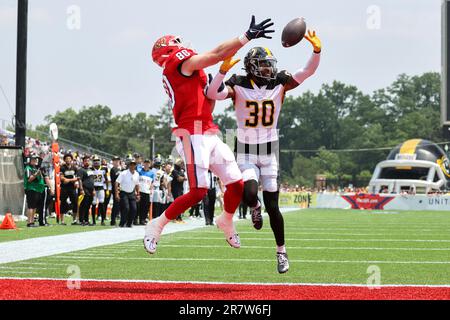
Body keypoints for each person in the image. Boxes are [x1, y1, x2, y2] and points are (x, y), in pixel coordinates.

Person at [144, 15, 274, 254]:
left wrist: (218, 83)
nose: (185, 46)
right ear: (170, 48)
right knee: (198, 191)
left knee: (236, 184)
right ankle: (157, 224)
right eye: (179, 42)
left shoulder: (188, 71)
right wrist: (246, 36)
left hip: (208, 129)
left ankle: (225, 219)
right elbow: (215, 54)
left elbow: (207, 103)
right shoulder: (177, 62)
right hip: (191, 131)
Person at [206, 30, 322, 273]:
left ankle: (281, 251)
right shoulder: (237, 84)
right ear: (251, 66)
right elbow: (212, 93)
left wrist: (316, 51)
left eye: (270, 66)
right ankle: (254, 208)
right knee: (248, 195)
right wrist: (222, 71)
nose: (269, 70)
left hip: (270, 152)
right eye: (263, 65)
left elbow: (307, 72)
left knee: (274, 207)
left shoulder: (279, 83)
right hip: (246, 151)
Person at [115, 158, 140, 228]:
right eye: (131, 164)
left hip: (131, 192)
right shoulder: (124, 173)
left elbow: (137, 184)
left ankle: (129, 223)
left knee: (134, 208)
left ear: (135, 166)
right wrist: (117, 193)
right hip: (124, 192)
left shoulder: (137, 174)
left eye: (134, 164)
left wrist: (138, 194)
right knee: (126, 208)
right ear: (129, 165)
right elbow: (116, 183)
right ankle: (122, 223)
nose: (132, 166)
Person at [24, 154, 46, 227]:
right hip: (31, 188)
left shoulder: (35, 168)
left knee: (34, 207)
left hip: (37, 189)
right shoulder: (28, 168)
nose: (35, 161)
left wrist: (40, 173)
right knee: (31, 206)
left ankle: (32, 221)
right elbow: (29, 179)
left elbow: (41, 179)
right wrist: (37, 173)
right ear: (29, 161)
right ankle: (29, 222)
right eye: (33, 160)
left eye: (35, 160)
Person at [60, 153, 79, 225]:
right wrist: (72, 179)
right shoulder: (62, 167)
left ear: (71, 160)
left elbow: (77, 178)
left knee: (75, 203)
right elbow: (61, 178)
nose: (68, 160)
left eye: (69, 158)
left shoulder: (75, 168)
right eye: (66, 159)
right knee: (63, 203)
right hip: (64, 188)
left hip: (72, 188)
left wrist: (68, 180)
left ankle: (74, 220)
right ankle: (62, 220)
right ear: (64, 160)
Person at [77, 155, 96, 226]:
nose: (87, 162)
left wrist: (94, 189)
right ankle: (82, 220)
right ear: (83, 162)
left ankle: (87, 220)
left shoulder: (91, 170)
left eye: (88, 160)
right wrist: (81, 189)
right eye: (85, 161)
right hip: (84, 189)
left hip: (91, 190)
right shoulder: (81, 170)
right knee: (83, 205)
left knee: (88, 205)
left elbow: (92, 180)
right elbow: (79, 180)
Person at [91, 156, 109, 226]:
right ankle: (93, 221)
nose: (96, 162)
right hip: (94, 188)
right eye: (95, 161)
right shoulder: (91, 169)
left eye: (97, 161)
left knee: (102, 203)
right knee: (94, 203)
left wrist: (107, 189)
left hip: (101, 187)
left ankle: (102, 220)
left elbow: (106, 179)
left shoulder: (104, 168)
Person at [137, 159, 155, 225]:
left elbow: (152, 182)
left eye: (148, 163)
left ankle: (143, 219)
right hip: (140, 191)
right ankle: (137, 219)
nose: (147, 164)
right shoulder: (139, 171)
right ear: (143, 164)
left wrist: (151, 188)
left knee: (146, 207)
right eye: (145, 163)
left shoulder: (151, 173)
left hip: (147, 192)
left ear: (150, 164)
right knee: (139, 206)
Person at [109, 156, 122, 226]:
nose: (116, 161)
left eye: (117, 160)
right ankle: (113, 220)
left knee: (120, 205)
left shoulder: (121, 169)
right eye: (115, 160)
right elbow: (114, 181)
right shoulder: (113, 169)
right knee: (116, 205)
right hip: (116, 189)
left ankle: (119, 218)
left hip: (122, 189)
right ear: (113, 161)